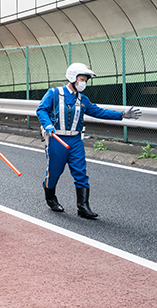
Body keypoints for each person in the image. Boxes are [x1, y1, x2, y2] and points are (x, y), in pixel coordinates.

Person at [36, 63, 142, 219]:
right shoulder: (53, 93)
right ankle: (51, 198)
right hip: (57, 139)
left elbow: (98, 112)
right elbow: (41, 110)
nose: (83, 82)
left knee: (80, 172)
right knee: (54, 172)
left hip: (75, 140)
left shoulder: (83, 99)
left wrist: (121, 115)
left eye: (85, 80)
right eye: (81, 79)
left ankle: (83, 207)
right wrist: (47, 125)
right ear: (72, 78)